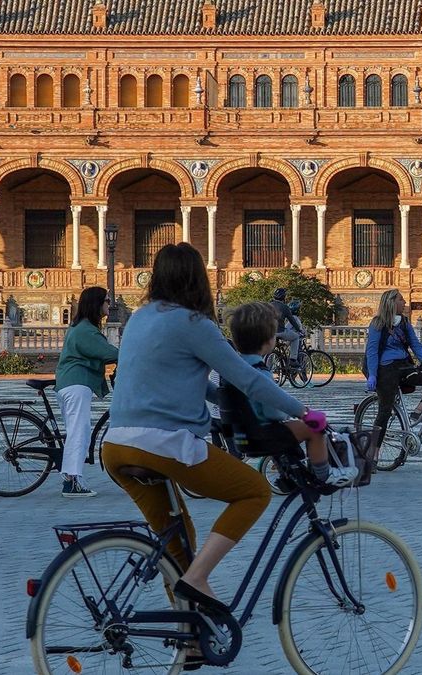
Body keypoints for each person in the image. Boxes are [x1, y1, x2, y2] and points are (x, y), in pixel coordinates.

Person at [102, 243, 314, 615]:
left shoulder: (139, 317)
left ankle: (193, 635)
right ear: (197, 278)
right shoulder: (194, 324)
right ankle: (197, 580)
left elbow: (193, 383)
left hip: (116, 445)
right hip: (162, 443)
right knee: (254, 491)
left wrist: (222, 401)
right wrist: (303, 410)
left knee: (177, 545)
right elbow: (248, 378)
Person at [228, 302, 357, 486]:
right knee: (314, 430)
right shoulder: (259, 371)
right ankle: (325, 475)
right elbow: (272, 411)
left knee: (289, 431)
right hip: (261, 434)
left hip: (241, 434)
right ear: (269, 340)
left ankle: (287, 476)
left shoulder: (234, 367)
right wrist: (290, 414)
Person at [54, 286, 118, 497]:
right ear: (96, 304)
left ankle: (72, 476)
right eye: (106, 301)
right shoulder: (85, 331)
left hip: (72, 384)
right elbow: (107, 352)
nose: (110, 305)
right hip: (76, 384)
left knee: (78, 430)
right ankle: (72, 481)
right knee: (79, 431)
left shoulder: (83, 327)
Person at [365, 289, 422, 443]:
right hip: (386, 369)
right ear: (391, 303)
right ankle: (372, 454)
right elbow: (372, 351)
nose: (404, 303)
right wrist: (373, 374)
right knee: (385, 411)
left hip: (404, 366)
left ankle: (419, 411)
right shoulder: (377, 323)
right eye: (401, 300)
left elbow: (415, 344)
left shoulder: (404, 322)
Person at [271, 287, 304, 367]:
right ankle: (293, 360)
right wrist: (299, 330)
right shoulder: (285, 307)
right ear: (283, 297)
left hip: (269, 332)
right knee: (295, 337)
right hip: (280, 331)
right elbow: (292, 321)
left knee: (269, 351)